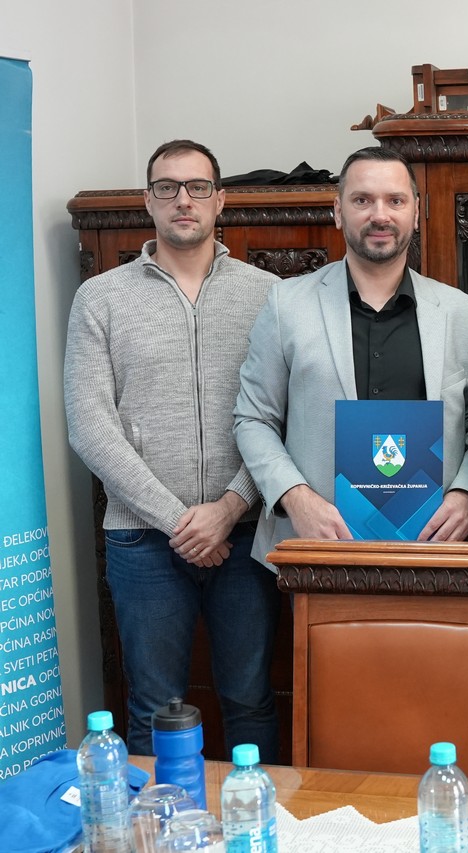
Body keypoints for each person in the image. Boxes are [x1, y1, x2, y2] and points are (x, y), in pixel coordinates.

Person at [64, 139, 280, 759]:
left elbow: (284, 417)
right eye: (167, 187)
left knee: (250, 699)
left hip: (246, 537)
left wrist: (229, 508)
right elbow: (89, 425)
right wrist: (181, 521)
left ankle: (252, 810)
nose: (183, 199)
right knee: (153, 706)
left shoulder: (269, 295)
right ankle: (159, 815)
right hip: (142, 541)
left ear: (221, 200)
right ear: (148, 200)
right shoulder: (101, 298)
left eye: (197, 187)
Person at [234, 147, 468, 563]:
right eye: (362, 200)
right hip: (314, 550)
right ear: (338, 212)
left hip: (434, 550)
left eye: (395, 200)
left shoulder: (465, 315)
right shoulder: (286, 306)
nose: (380, 215)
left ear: (416, 212)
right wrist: (295, 498)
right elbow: (253, 419)